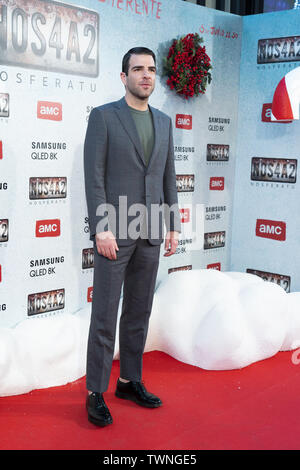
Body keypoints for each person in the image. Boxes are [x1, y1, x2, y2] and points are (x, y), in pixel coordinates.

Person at [83, 47, 181, 427]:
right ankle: (95, 392)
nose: (146, 75)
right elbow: (94, 177)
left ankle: (129, 381)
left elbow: (168, 177)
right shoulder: (105, 118)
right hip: (115, 232)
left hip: (152, 229)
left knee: (139, 312)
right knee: (105, 314)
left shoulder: (165, 122)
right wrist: (101, 226)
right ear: (123, 77)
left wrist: (172, 223)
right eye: (138, 69)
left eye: (151, 70)